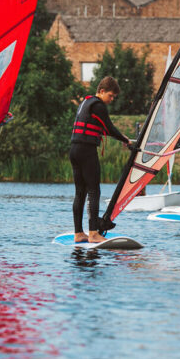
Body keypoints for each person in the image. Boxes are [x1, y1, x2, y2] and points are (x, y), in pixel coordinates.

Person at [70, 76, 131, 244]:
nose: (111, 100)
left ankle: (78, 233)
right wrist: (125, 140)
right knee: (93, 191)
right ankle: (93, 233)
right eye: (110, 96)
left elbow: (102, 127)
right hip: (86, 150)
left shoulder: (85, 103)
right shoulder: (98, 105)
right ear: (102, 91)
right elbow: (109, 128)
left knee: (80, 192)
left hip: (74, 149)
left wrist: (123, 138)